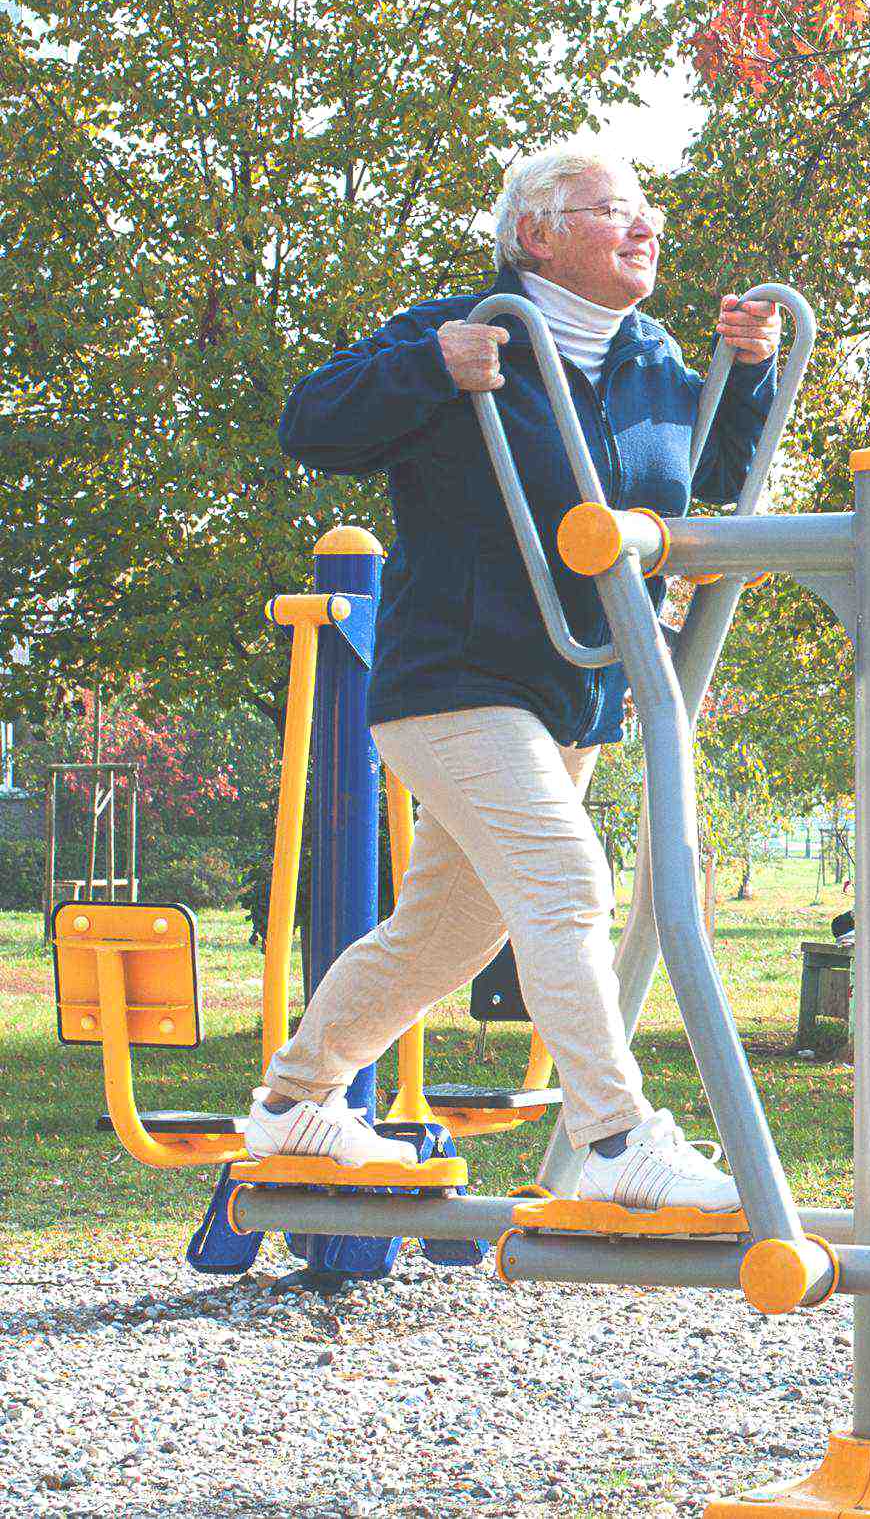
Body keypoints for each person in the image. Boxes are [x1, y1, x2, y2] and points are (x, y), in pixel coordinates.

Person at [243, 147, 782, 1213]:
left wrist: (747, 371)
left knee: (451, 931)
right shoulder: (464, 329)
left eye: (646, 210)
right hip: (455, 679)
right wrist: (427, 368)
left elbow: (714, 471)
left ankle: (294, 1103)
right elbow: (311, 422)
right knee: (565, 885)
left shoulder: (647, 356)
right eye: (613, 210)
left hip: (573, 686)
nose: (644, 228)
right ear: (534, 236)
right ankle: (617, 1137)